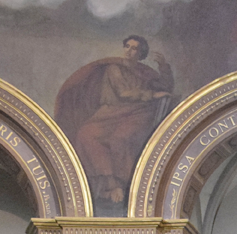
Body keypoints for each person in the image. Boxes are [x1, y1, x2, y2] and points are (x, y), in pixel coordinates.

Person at [55, 35, 173, 206]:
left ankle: (123, 187)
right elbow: (123, 93)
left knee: (119, 138)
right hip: (111, 112)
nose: (130, 51)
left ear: (141, 53)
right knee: (85, 134)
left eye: (135, 49)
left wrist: (164, 68)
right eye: (128, 47)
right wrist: (151, 95)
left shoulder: (145, 72)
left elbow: (166, 87)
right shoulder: (114, 69)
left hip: (137, 113)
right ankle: (110, 184)